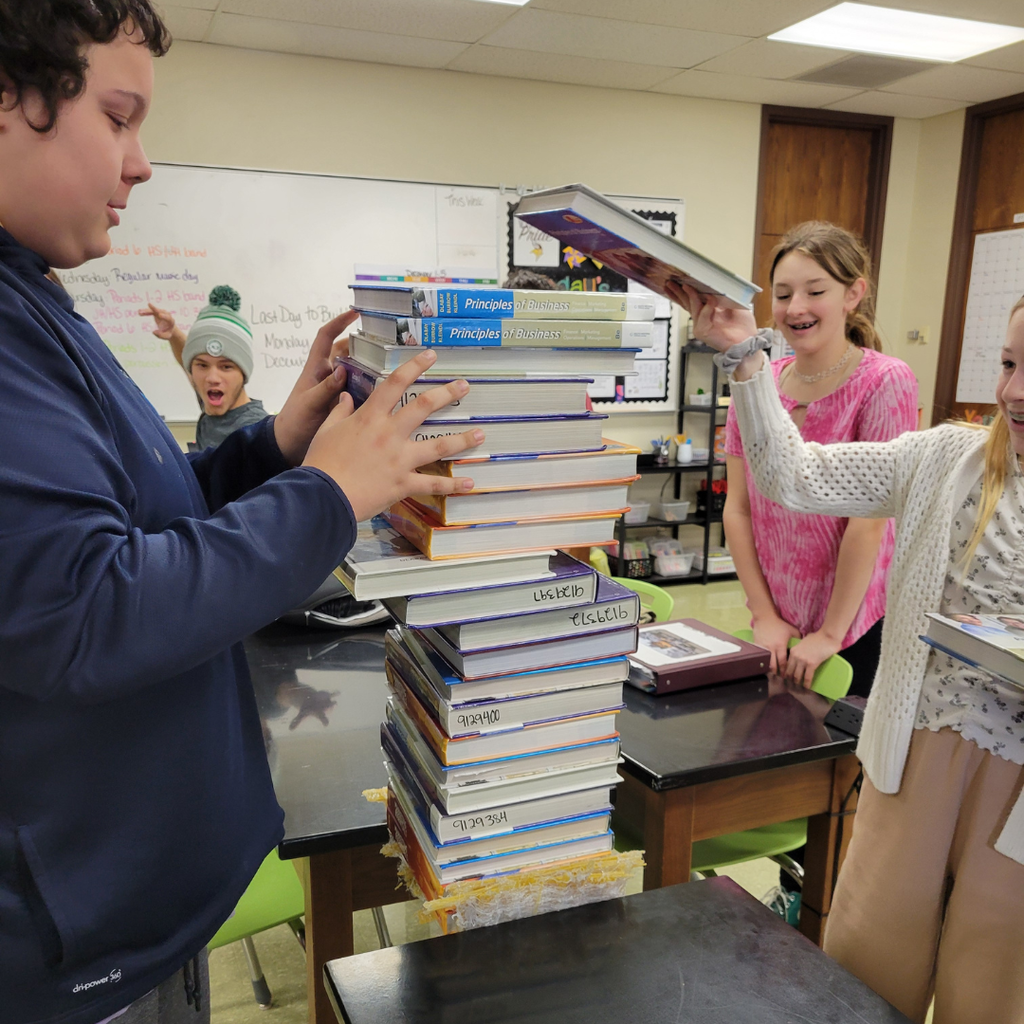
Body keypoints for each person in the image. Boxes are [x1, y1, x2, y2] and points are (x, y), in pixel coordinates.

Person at [0, 5, 483, 1024]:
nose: (138, 164)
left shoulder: (36, 300)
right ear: (11, 100)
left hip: (136, 906)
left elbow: (138, 520)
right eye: (119, 117)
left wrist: (279, 450)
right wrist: (329, 494)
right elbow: (87, 612)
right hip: (78, 939)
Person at [672, 281, 1024, 1024]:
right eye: (1007, 363)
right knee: (869, 963)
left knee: (993, 979)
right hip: (918, 749)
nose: (1012, 392)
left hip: (1017, 786)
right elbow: (793, 475)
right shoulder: (947, 459)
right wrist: (745, 357)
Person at [723, 223, 918, 696]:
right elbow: (739, 507)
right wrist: (763, 613)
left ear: (854, 293)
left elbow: (868, 524)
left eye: (816, 291)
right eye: (783, 293)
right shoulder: (756, 383)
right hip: (778, 620)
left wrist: (830, 635)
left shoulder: (885, 381)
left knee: (843, 757)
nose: (796, 308)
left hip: (852, 625)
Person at [141, 286, 273, 450]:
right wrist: (174, 333)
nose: (212, 378)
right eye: (202, 365)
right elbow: (188, 360)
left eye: (226, 367)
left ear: (243, 373)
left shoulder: (254, 432)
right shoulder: (213, 403)